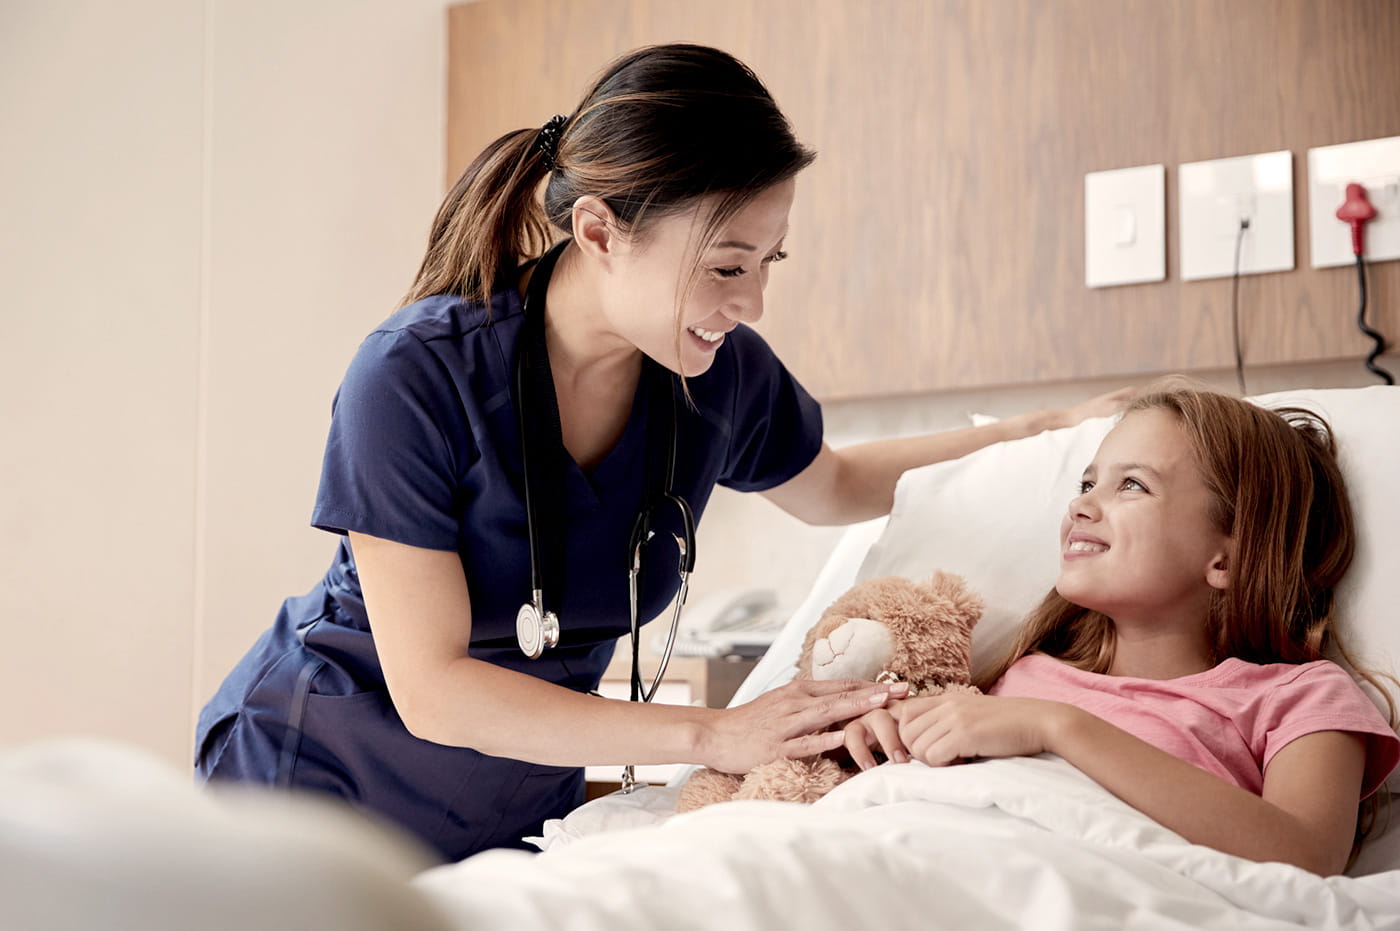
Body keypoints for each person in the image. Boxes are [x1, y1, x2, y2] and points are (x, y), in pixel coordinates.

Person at [195, 42, 1126, 862]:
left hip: (508, 812)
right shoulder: (414, 375)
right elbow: (435, 690)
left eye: (770, 263)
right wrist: (719, 733)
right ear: (599, 230)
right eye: (728, 265)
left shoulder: (715, 376)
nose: (754, 301)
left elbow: (833, 483)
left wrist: (1036, 434)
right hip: (315, 790)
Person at [842, 381, 1400, 876]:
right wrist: (892, 741)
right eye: (1087, 483)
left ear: (1226, 559)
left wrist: (1059, 728)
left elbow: (1305, 856)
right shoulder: (1024, 675)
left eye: (1132, 485)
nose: (1083, 504)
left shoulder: (1299, 698)